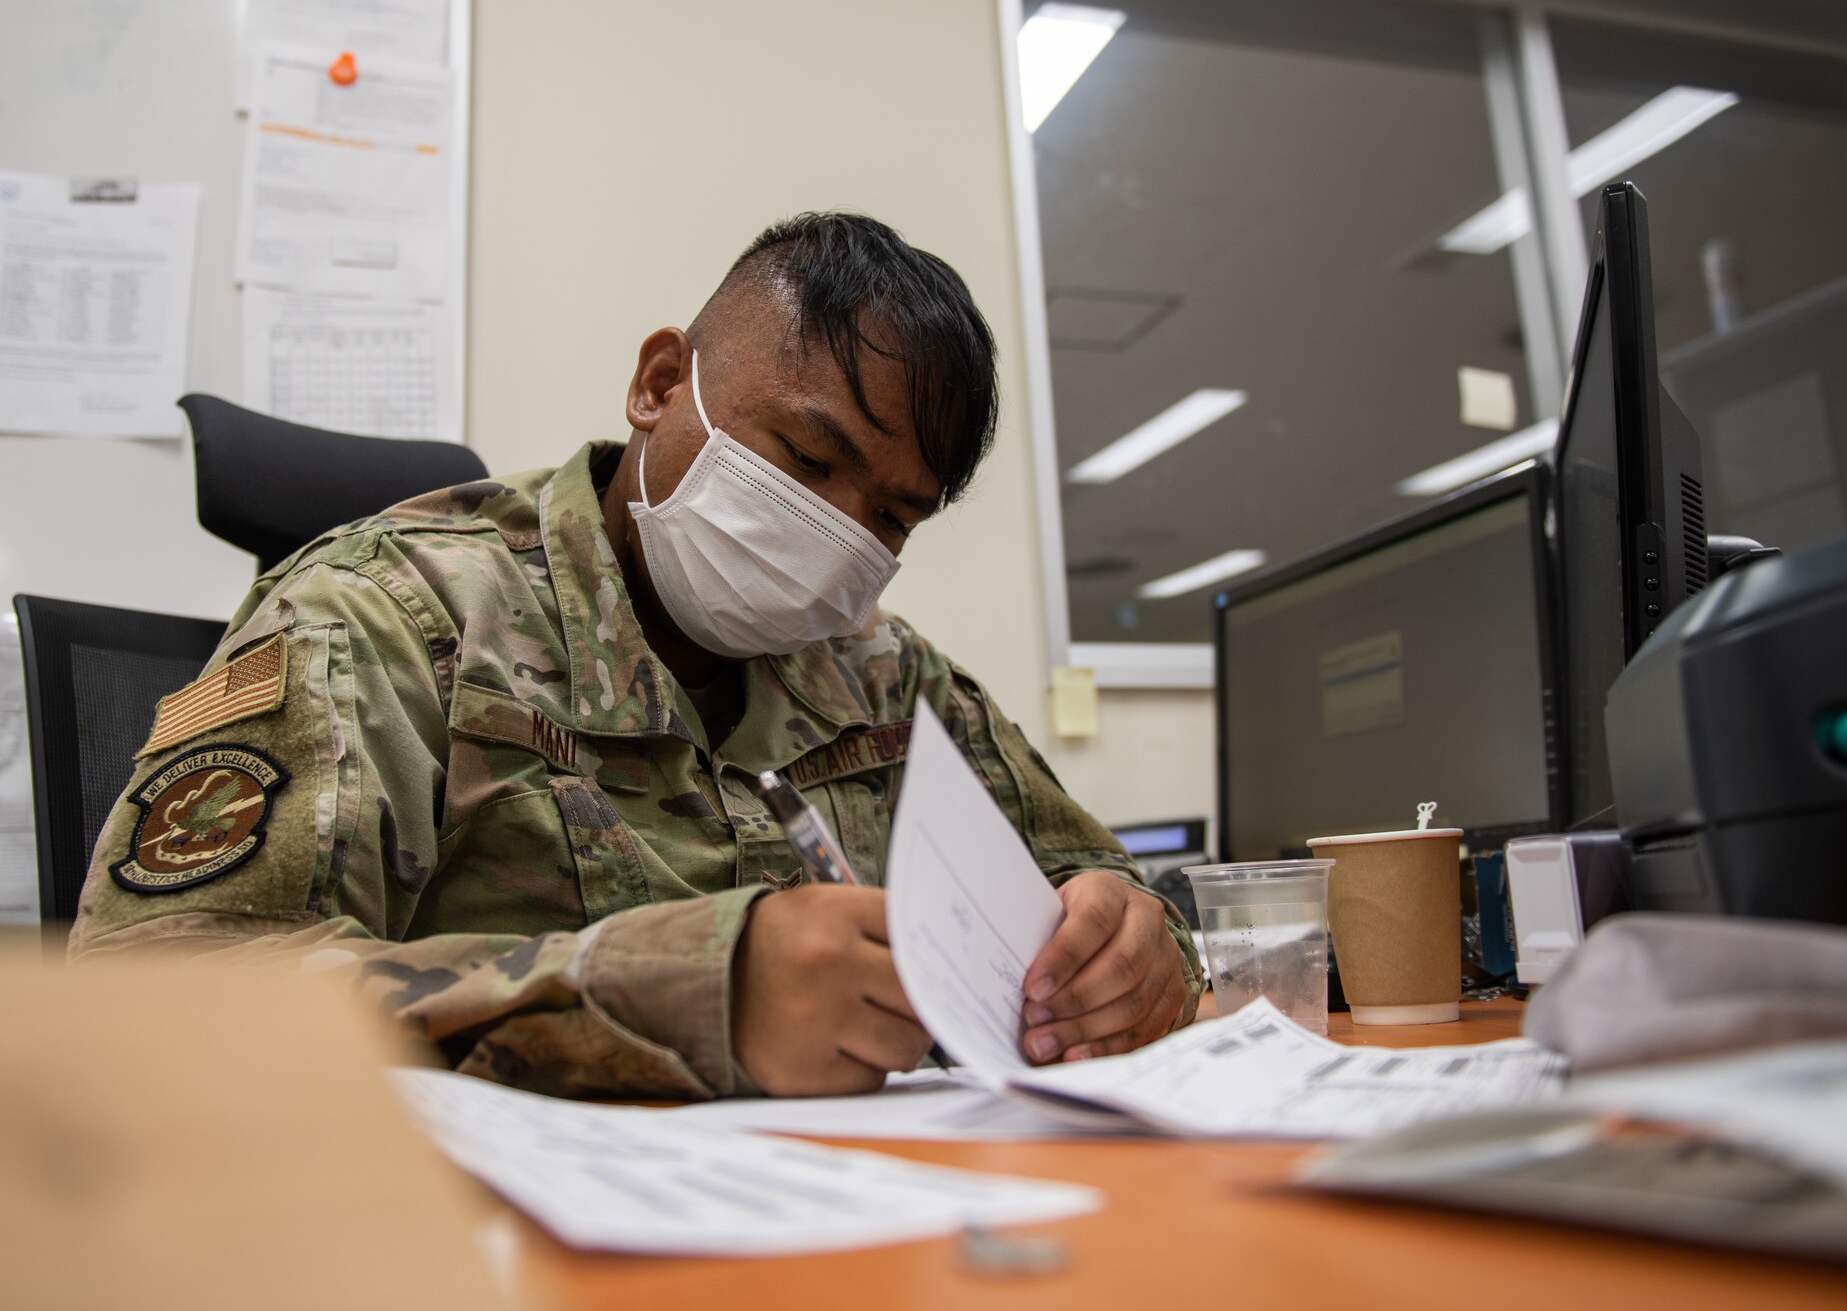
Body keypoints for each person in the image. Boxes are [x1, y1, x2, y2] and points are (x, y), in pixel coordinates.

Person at [70, 212, 1202, 1100]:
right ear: (661, 385)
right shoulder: (387, 619)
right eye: (807, 459)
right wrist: (674, 990)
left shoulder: (887, 680)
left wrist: (1136, 949)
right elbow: (156, 1001)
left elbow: (1114, 899)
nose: (839, 536)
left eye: (891, 518)